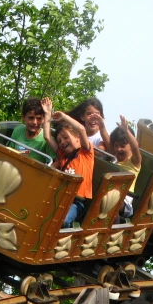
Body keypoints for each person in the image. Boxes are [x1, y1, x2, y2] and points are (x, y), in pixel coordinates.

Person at [42, 97, 94, 227]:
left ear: (77, 137)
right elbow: (47, 137)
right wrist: (48, 114)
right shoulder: (63, 154)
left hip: (77, 201)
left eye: (65, 137)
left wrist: (64, 117)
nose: (63, 142)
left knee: (63, 221)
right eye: (59, 140)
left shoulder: (85, 153)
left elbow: (81, 129)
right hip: (61, 197)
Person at [109, 116, 142, 219]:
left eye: (123, 146)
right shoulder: (112, 160)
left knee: (112, 201)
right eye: (116, 146)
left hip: (125, 201)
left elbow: (135, 147)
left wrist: (126, 131)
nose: (119, 149)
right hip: (108, 194)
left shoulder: (134, 161)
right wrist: (101, 126)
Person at [10, 97, 57, 164]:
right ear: (23, 117)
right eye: (31, 118)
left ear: (43, 119)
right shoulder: (18, 131)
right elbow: (9, 152)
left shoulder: (47, 141)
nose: (34, 122)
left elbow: (54, 163)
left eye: (38, 118)